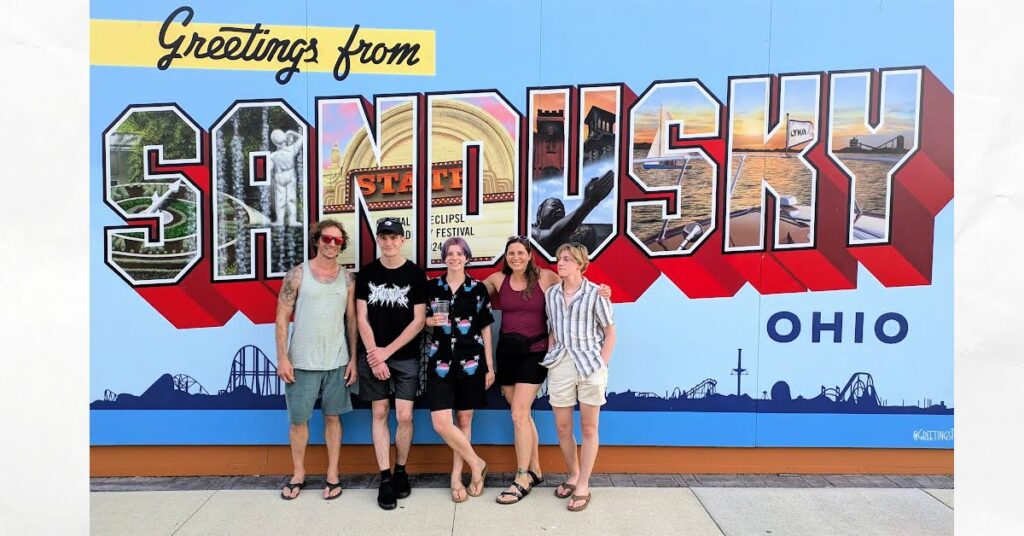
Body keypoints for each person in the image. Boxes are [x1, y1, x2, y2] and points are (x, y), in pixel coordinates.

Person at [481, 236, 611, 505]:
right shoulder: (497, 280)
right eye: (511, 253)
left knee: (519, 414)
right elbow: (470, 296)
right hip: (509, 353)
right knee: (524, 415)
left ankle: (522, 477)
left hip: (536, 354)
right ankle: (537, 469)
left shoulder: (546, 279)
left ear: (530, 255)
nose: (516, 257)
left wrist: (604, 290)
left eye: (521, 252)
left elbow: (598, 313)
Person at [275, 219, 357, 501]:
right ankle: (298, 473)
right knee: (299, 421)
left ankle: (333, 474)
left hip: (336, 361)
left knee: (333, 419)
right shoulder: (297, 275)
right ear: (316, 240)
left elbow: (352, 321)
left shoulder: (347, 279)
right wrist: (283, 358)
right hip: (301, 363)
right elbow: (282, 318)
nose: (331, 244)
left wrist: (353, 359)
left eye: (337, 240)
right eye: (326, 238)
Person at [355, 217, 428, 510]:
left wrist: (388, 352)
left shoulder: (415, 274)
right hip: (372, 354)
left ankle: (401, 469)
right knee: (380, 411)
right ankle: (385, 477)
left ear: (402, 240)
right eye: (383, 237)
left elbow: (419, 320)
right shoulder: (367, 274)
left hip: (405, 356)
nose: (388, 242)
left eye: (393, 237)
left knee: (406, 415)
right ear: (379, 241)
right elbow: (361, 317)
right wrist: (375, 353)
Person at [543, 242, 616, 512]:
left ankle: (583, 483)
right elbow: (552, 329)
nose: (560, 263)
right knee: (563, 427)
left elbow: (610, 332)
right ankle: (573, 474)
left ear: (580, 264)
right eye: (559, 258)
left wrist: (602, 365)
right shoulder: (551, 294)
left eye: (566, 259)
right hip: (561, 364)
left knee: (588, 429)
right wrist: (552, 353)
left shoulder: (597, 293)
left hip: (590, 365)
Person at [423, 237, 492, 503]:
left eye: (459, 253)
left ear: (467, 257)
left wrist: (489, 366)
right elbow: (421, 319)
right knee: (442, 423)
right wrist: (431, 320)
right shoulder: (431, 288)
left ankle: (457, 474)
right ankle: (477, 463)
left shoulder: (477, 288)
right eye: (449, 254)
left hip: (471, 363)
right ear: (443, 258)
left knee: (464, 421)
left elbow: (485, 326)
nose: (454, 257)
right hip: (439, 361)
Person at [531, 170, 614, 253]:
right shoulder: (531, 232)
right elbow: (551, 237)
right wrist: (589, 202)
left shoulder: (574, 237)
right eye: (554, 205)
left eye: (562, 208)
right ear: (539, 213)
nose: (560, 210)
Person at [269, 129, 303, 227]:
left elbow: (269, 169)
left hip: (280, 176)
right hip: (289, 175)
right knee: (290, 199)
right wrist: (291, 133)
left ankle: (281, 221)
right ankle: (290, 221)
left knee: (281, 199)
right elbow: (301, 138)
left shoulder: (273, 155)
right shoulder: (291, 150)